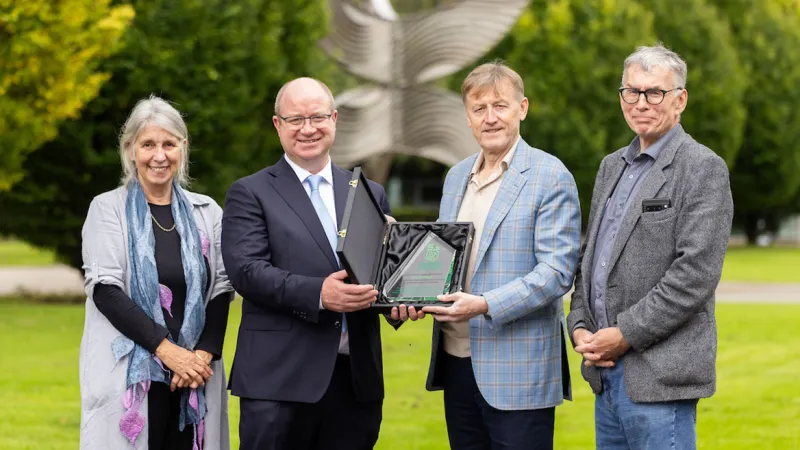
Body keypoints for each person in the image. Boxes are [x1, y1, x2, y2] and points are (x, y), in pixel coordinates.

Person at [221, 77, 409, 450]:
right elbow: (247, 272)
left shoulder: (369, 193)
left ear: (334, 119)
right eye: (296, 119)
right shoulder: (250, 193)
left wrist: (399, 304)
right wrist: (319, 294)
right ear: (278, 125)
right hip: (279, 382)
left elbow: (380, 276)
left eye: (317, 117)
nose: (308, 129)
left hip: (355, 383)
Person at [567, 44, 734, 450]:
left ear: (680, 99)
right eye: (632, 91)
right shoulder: (611, 166)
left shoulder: (702, 167)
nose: (641, 103)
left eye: (655, 92)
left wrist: (624, 333)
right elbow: (592, 260)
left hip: (660, 378)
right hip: (605, 373)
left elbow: (694, 276)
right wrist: (579, 324)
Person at [417, 62, 581, 450]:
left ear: (522, 108)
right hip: (456, 361)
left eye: (500, 106)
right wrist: (406, 288)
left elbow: (557, 271)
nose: (490, 118)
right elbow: (441, 258)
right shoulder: (456, 177)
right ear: (468, 118)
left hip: (518, 371)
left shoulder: (550, 175)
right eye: (479, 108)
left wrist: (485, 304)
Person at [79, 95, 235, 450]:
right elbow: (105, 290)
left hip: (194, 377)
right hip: (132, 376)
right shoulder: (106, 209)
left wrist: (202, 355)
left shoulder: (207, 212)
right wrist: (168, 352)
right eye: (148, 144)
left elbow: (223, 288)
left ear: (183, 148)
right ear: (130, 150)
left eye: (169, 144)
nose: (159, 155)